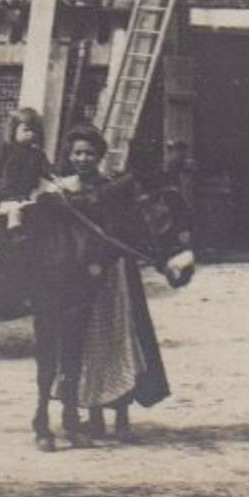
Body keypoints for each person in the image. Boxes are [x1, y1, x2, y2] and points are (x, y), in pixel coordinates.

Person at [52, 124, 170, 437]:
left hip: (112, 277)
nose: (82, 158)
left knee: (118, 340)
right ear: (70, 155)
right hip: (79, 276)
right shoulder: (63, 188)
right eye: (77, 152)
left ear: (99, 156)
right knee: (87, 341)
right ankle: (92, 415)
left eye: (89, 153)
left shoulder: (113, 187)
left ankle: (121, 416)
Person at [0, 108, 50, 242]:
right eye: (26, 130)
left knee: (35, 211)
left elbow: (46, 170)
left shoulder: (36, 154)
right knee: (14, 213)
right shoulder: (5, 148)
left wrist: (54, 179)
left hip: (23, 195)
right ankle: (15, 233)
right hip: (4, 195)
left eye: (35, 131)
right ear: (14, 129)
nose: (31, 134)